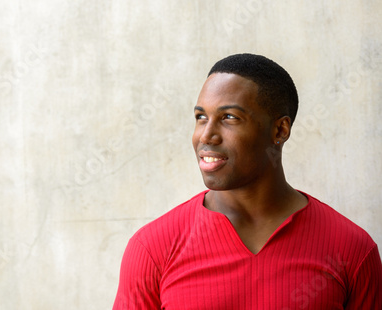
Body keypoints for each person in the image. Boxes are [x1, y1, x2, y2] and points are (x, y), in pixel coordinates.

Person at [112, 53, 382, 309]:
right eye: (200, 117)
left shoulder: (351, 249)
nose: (206, 136)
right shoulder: (153, 248)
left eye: (229, 117)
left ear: (280, 129)